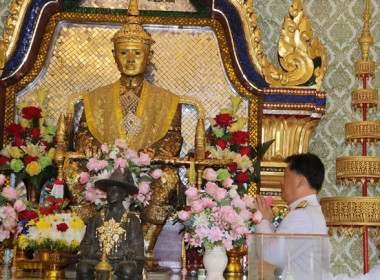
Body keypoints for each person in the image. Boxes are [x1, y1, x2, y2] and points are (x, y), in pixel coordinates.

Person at [66, 0, 184, 270]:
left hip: (147, 167)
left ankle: (143, 247)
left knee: (167, 177)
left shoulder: (167, 100)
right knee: (73, 172)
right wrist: (92, 147)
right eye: (124, 53)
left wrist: (154, 152)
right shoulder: (95, 98)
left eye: (137, 53)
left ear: (149, 56)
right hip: (105, 168)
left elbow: (174, 137)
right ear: (114, 55)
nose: (130, 59)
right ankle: (94, 245)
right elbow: (83, 133)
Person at [254, 153, 328, 279]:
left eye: (286, 176)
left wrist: (263, 221)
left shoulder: (302, 215)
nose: (282, 182)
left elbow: (269, 258)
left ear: (301, 182)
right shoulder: (307, 211)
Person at [77, 168, 144, 280]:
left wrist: (132, 253)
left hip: (120, 262)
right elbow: (86, 242)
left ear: (123, 195)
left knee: (128, 270)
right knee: (83, 267)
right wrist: (85, 250)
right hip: (97, 259)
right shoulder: (96, 218)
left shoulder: (132, 219)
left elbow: (138, 246)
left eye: (115, 191)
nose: (111, 194)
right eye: (109, 191)